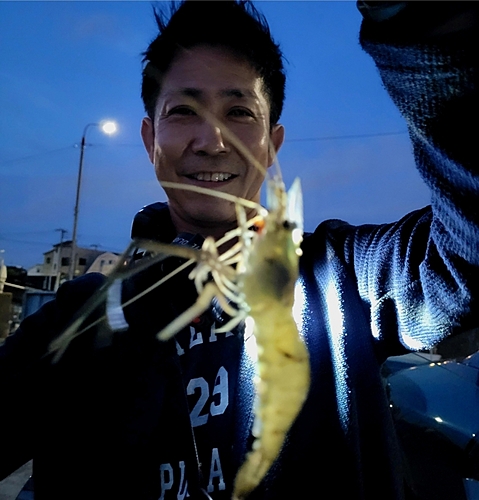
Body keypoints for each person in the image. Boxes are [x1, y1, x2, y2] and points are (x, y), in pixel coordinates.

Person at [1, 1, 478, 499]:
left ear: (271, 145)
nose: (212, 141)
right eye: (184, 110)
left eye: (239, 112)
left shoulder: (344, 278)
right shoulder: (80, 323)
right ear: (150, 138)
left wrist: (423, 20)